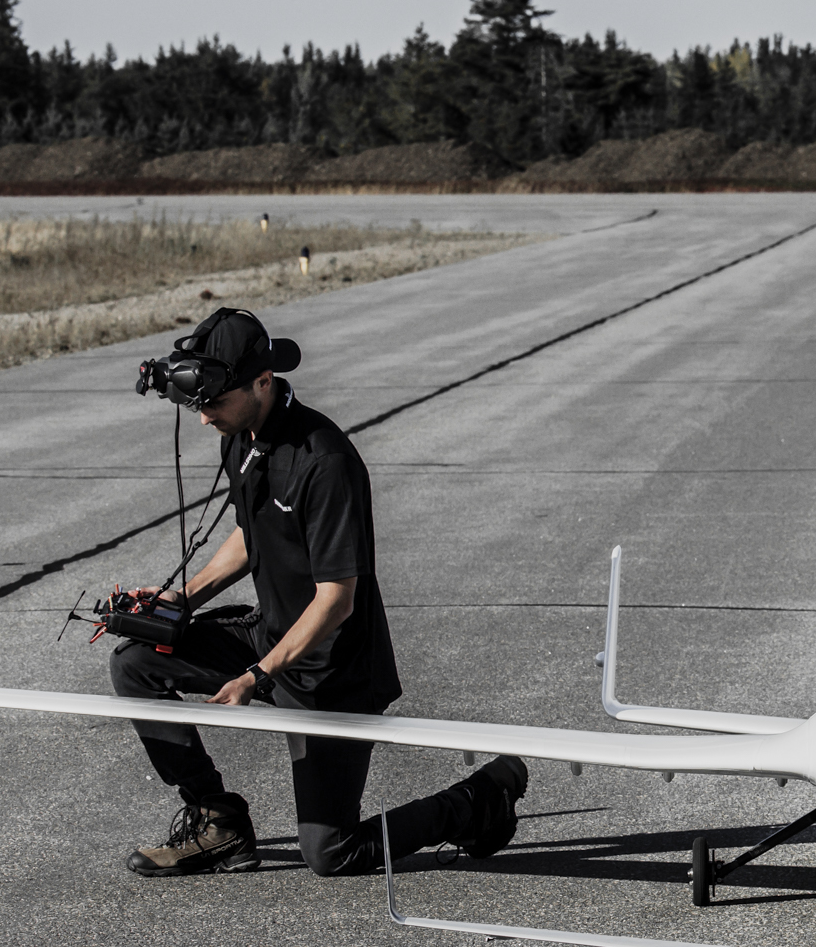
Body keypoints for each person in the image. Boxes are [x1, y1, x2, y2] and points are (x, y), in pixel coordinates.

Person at [110, 307, 525, 877]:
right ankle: (219, 821)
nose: (204, 420)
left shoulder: (324, 461)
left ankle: (477, 802)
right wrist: (183, 597)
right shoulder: (243, 433)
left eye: (213, 404)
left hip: (334, 672)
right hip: (271, 637)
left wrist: (258, 676)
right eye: (197, 406)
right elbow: (250, 531)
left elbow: (336, 598)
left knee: (331, 853)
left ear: (263, 382)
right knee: (136, 662)